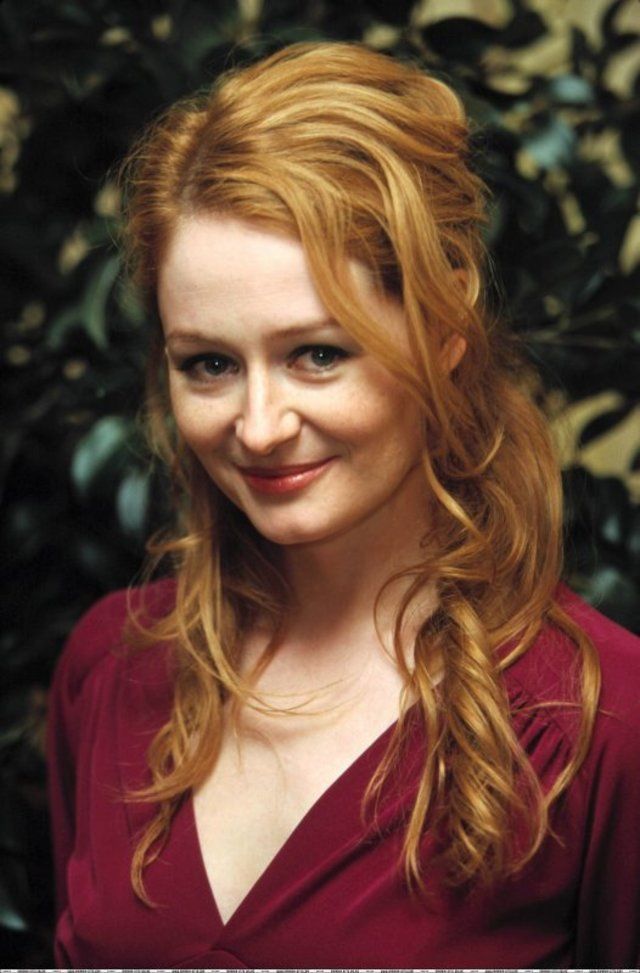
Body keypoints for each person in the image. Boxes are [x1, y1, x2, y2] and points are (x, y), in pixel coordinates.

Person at [47, 41, 640, 969]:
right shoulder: (110, 668)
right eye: (209, 363)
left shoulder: (599, 721)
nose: (259, 425)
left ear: (443, 331)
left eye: (318, 354)